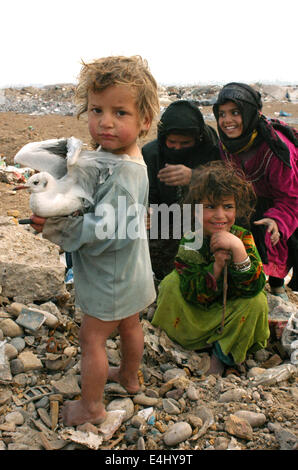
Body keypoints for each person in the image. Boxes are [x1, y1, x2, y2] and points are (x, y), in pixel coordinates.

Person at [30, 55, 160, 426]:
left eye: (120, 113)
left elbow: (105, 230)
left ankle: (91, 407)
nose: (105, 122)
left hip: (110, 276)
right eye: (96, 109)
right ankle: (131, 378)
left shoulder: (124, 174)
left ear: (144, 121)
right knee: (131, 325)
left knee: (92, 339)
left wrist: (58, 229)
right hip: (133, 273)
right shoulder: (121, 157)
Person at [151, 161, 270, 376]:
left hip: (230, 313)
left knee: (258, 301)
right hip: (197, 311)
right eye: (210, 207)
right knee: (171, 283)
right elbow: (191, 291)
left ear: (237, 208)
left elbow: (253, 286)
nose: (220, 215)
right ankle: (187, 340)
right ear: (196, 211)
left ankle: (222, 355)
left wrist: (238, 251)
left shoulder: (243, 237)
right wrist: (215, 267)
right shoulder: (191, 240)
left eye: (228, 207)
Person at [212, 82, 298, 300]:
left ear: (250, 113)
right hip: (254, 200)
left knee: (275, 235)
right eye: (221, 114)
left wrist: (278, 220)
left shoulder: (276, 149)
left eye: (235, 112)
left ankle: (278, 287)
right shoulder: (226, 145)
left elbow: (291, 197)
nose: (227, 121)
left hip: (287, 201)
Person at [142, 100, 220, 280]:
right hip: (165, 220)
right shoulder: (152, 154)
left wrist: (194, 177)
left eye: (185, 143)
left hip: (203, 220)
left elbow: (225, 186)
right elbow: (149, 192)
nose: (177, 148)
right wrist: (148, 210)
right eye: (172, 142)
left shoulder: (211, 150)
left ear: (197, 139)